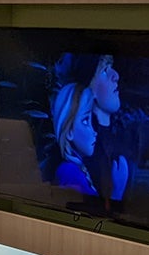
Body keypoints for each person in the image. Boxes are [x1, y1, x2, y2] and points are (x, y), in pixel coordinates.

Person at [49, 54, 129, 206]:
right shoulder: (69, 170)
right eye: (104, 71)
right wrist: (117, 192)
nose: (116, 76)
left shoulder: (83, 162)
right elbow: (91, 217)